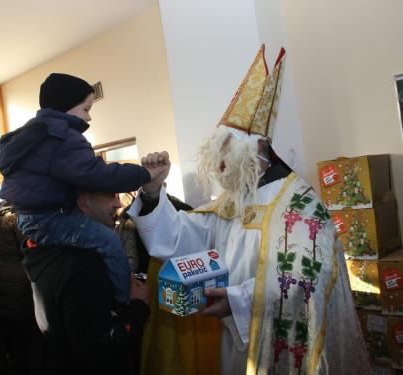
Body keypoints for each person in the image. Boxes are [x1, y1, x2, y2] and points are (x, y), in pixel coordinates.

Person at [128, 45, 370, 374]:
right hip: (237, 345)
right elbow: (184, 240)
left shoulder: (298, 202)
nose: (220, 162)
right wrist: (154, 193)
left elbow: (310, 276)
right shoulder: (234, 201)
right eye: (218, 151)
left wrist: (241, 299)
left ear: (259, 147)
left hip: (282, 347)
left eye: (228, 148)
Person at [0, 73, 166, 304]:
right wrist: (145, 174)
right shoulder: (62, 137)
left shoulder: (33, 135)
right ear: (66, 107)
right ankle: (126, 299)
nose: (89, 117)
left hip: (28, 217)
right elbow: (99, 175)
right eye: (86, 109)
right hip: (47, 218)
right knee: (110, 242)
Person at [21, 189, 151, 374]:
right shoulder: (83, 265)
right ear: (84, 204)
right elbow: (97, 347)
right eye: (109, 196)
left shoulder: (51, 252)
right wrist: (138, 308)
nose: (119, 203)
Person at [0, 199, 45, 375]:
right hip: (19, 285)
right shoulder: (18, 216)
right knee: (33, 341)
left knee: (14, 343)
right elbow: (30, 248)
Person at [113, 193, 139, 273]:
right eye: (109, 197)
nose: (118, 205)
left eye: (117, 198)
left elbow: (132, 265)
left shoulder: (125, 227)